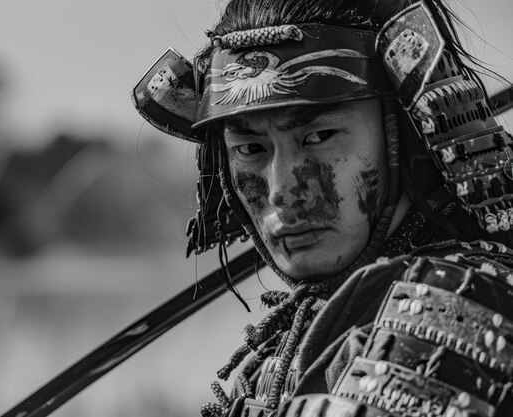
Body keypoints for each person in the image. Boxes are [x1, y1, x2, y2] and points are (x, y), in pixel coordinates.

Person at [132, 0, 513, 416]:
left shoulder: (447, 311)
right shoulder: (302, 332)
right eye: (251, 149)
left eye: (319, 136)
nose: (282, 190)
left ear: (406, 140)